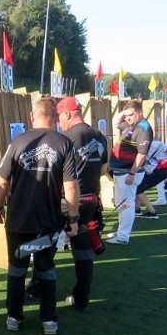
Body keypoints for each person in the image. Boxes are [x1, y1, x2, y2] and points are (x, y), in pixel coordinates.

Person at [0, 97, 79, 335]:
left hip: (18, 219)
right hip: (48, 221)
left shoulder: (17, 141)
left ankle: (13, 318)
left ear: (33, 116)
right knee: (46, 268)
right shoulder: (64, 143)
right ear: (55, 116)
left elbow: (2, 182)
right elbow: (70, 187)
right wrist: (73, 218)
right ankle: (49, 321)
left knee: (17, 267)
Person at [56, 96, 108, 309]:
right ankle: (81, 297)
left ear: (68, 114)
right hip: (91, 199)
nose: (60, 122)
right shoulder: (99, 136)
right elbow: (104, 169)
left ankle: (37, 290)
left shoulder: (65, 138)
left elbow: (57, 173)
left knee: (47, 247)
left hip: (67, 200)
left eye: (60, 117)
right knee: (83, 250)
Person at [106, 99, 153, 245]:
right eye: (126, 116)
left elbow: (142, 154)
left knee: (126, 203)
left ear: (140, 113)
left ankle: (122, 236)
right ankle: (121, 231)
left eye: (131, 115)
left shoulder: (143, 129)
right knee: (122, 202)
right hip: (122, 171)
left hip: (128, 172)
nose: (127, 118)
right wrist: (125, 111)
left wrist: (132, 173)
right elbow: (115, 122)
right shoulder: (132, 125)